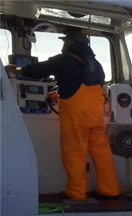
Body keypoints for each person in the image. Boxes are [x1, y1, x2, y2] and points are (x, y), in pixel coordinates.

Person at [4, 29, 120, 201]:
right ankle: (110, 190)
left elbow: (39, 70)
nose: (63, 44)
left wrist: (17, 70)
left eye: (65, 41)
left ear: (72, 43)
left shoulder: (64, 60)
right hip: (96, 115)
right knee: (101, 152)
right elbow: (81, 83)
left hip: (76, 115)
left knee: (74, 151)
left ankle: (76, 192)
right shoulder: (96, 64)